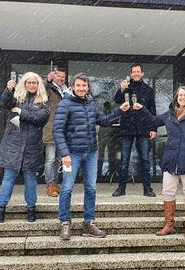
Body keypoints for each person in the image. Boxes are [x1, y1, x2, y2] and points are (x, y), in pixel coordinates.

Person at [53, 73, 129, 241]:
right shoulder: (65, 104)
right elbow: (57, 131)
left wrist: (120, 111)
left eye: (84, 86)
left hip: (91, 153)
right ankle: (65, 222)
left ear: (88, 88)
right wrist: (64, 154)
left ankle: (89, 223)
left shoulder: (91, 103)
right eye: (78, 85)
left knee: (91, 188)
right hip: (71, 154)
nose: (81, 88)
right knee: (66, 188)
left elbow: (103, 120)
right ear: (73, 87)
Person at [134, 86, 185, 237]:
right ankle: (169, 225)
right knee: (167, 191)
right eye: (180, 95)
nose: (182, 98)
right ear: (176, 97)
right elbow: (153, 120)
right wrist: (142, 109)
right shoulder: (169, 114)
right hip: (171, 159)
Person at [0, 72, 50, 223]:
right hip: (13, 144)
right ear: (24, 84)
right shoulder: (17, 97)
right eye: (29, 82)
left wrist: (20, 112)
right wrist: (8, 90)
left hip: (32, 146)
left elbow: (40, 118)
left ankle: (31, 209)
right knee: (9, 177)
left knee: (30, 178)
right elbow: (4, 103)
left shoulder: (43, 102)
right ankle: (1, 209)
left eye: (35, 82)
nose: (32, 85)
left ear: (38, 85)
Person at [112, 63, 157, 197]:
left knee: (145, 160)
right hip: (127, 127)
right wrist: (120, 89)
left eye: (138, 72)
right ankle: (121, 188)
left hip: (143, 128)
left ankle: (147, 189)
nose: (136, 74)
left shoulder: (148, 90)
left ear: (142, 74)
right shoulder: (126, 87)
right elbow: (117, 100)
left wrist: (153, 128)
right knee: (124, 160)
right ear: (131, 74)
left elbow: (153, 110)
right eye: (134, 72)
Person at [43, 68, 70, 197]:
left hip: (64, 131)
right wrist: (47, 80)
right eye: (58, 76)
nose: (61, 79)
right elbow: (41, 89)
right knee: (50, 159)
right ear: (54, 77)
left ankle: (55, 183)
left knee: (59, 159)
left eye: (63, 77)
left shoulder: (67, 91)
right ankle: (49, 185)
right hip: (50, 130)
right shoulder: (49, 88)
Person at [97, 101, 119, 179]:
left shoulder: (105, 114)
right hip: (107, 132)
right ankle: (109, 171)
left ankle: (103, 172)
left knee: (107, 153)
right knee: (108, 153)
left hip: (108, 133)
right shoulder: (105, 114)